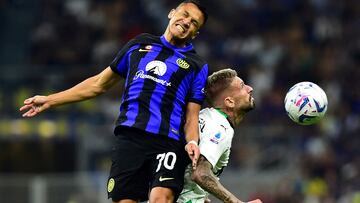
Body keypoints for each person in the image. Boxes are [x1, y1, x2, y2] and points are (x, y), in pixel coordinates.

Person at [20, 1, 208, 202]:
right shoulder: (138, 45)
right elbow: (98, 84)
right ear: (172, 13)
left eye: (194, 22)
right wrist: (50, 100)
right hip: (129, 137)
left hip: (167, 141)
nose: (187, 22)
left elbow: (192, 115)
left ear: (195, 33)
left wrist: (192, 142)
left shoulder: (197, 65)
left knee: (161, 198)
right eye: (185, 14)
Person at [177, 69, 262, 203]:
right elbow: (200, 174)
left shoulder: (204, 117)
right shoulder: (220, 127)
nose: (250, 88)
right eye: (242, 86)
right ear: (229, 102)